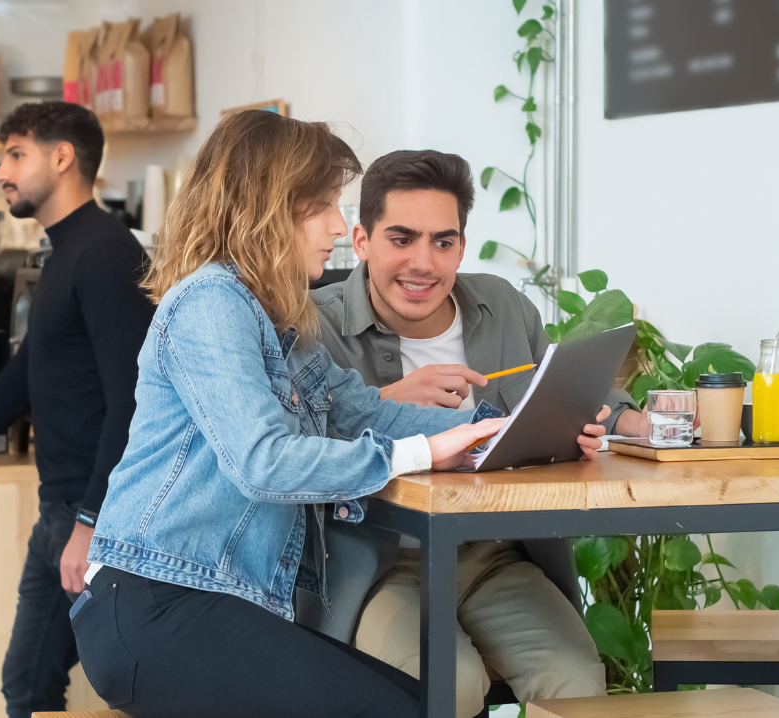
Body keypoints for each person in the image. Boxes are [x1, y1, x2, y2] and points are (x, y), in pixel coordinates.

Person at [70, 111, 611, 718]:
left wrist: (495, 431)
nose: (337, 224)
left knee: (423, 703)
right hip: (154, 600)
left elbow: (364, 414)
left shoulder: (280, 318)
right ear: (268, 210)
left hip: (216, 597)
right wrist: (425, 453)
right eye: (323, 205)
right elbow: (263, 462)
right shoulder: (209, 303)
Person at [307, 149, 651, 717]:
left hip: (493, 555)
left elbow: (566, 388)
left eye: (443, 242)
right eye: (401, 239)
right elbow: (283, 442)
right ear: (361, 241)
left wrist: (627, 420)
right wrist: (388, 403)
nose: (423, 262)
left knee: (576, 680)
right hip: (380, 564)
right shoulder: (312, 321)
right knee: (453, 685)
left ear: (461, 247)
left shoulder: (503, 307)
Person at [0, 102, 154, 718]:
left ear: (62, 158)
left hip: (91, 515)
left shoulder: (106, 255)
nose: (2, 172)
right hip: (61, 510)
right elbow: (25, 374)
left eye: (16, 154)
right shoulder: (67, 253)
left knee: (32, 686)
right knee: (28, 683)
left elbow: (133, 399)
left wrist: (92, 521)